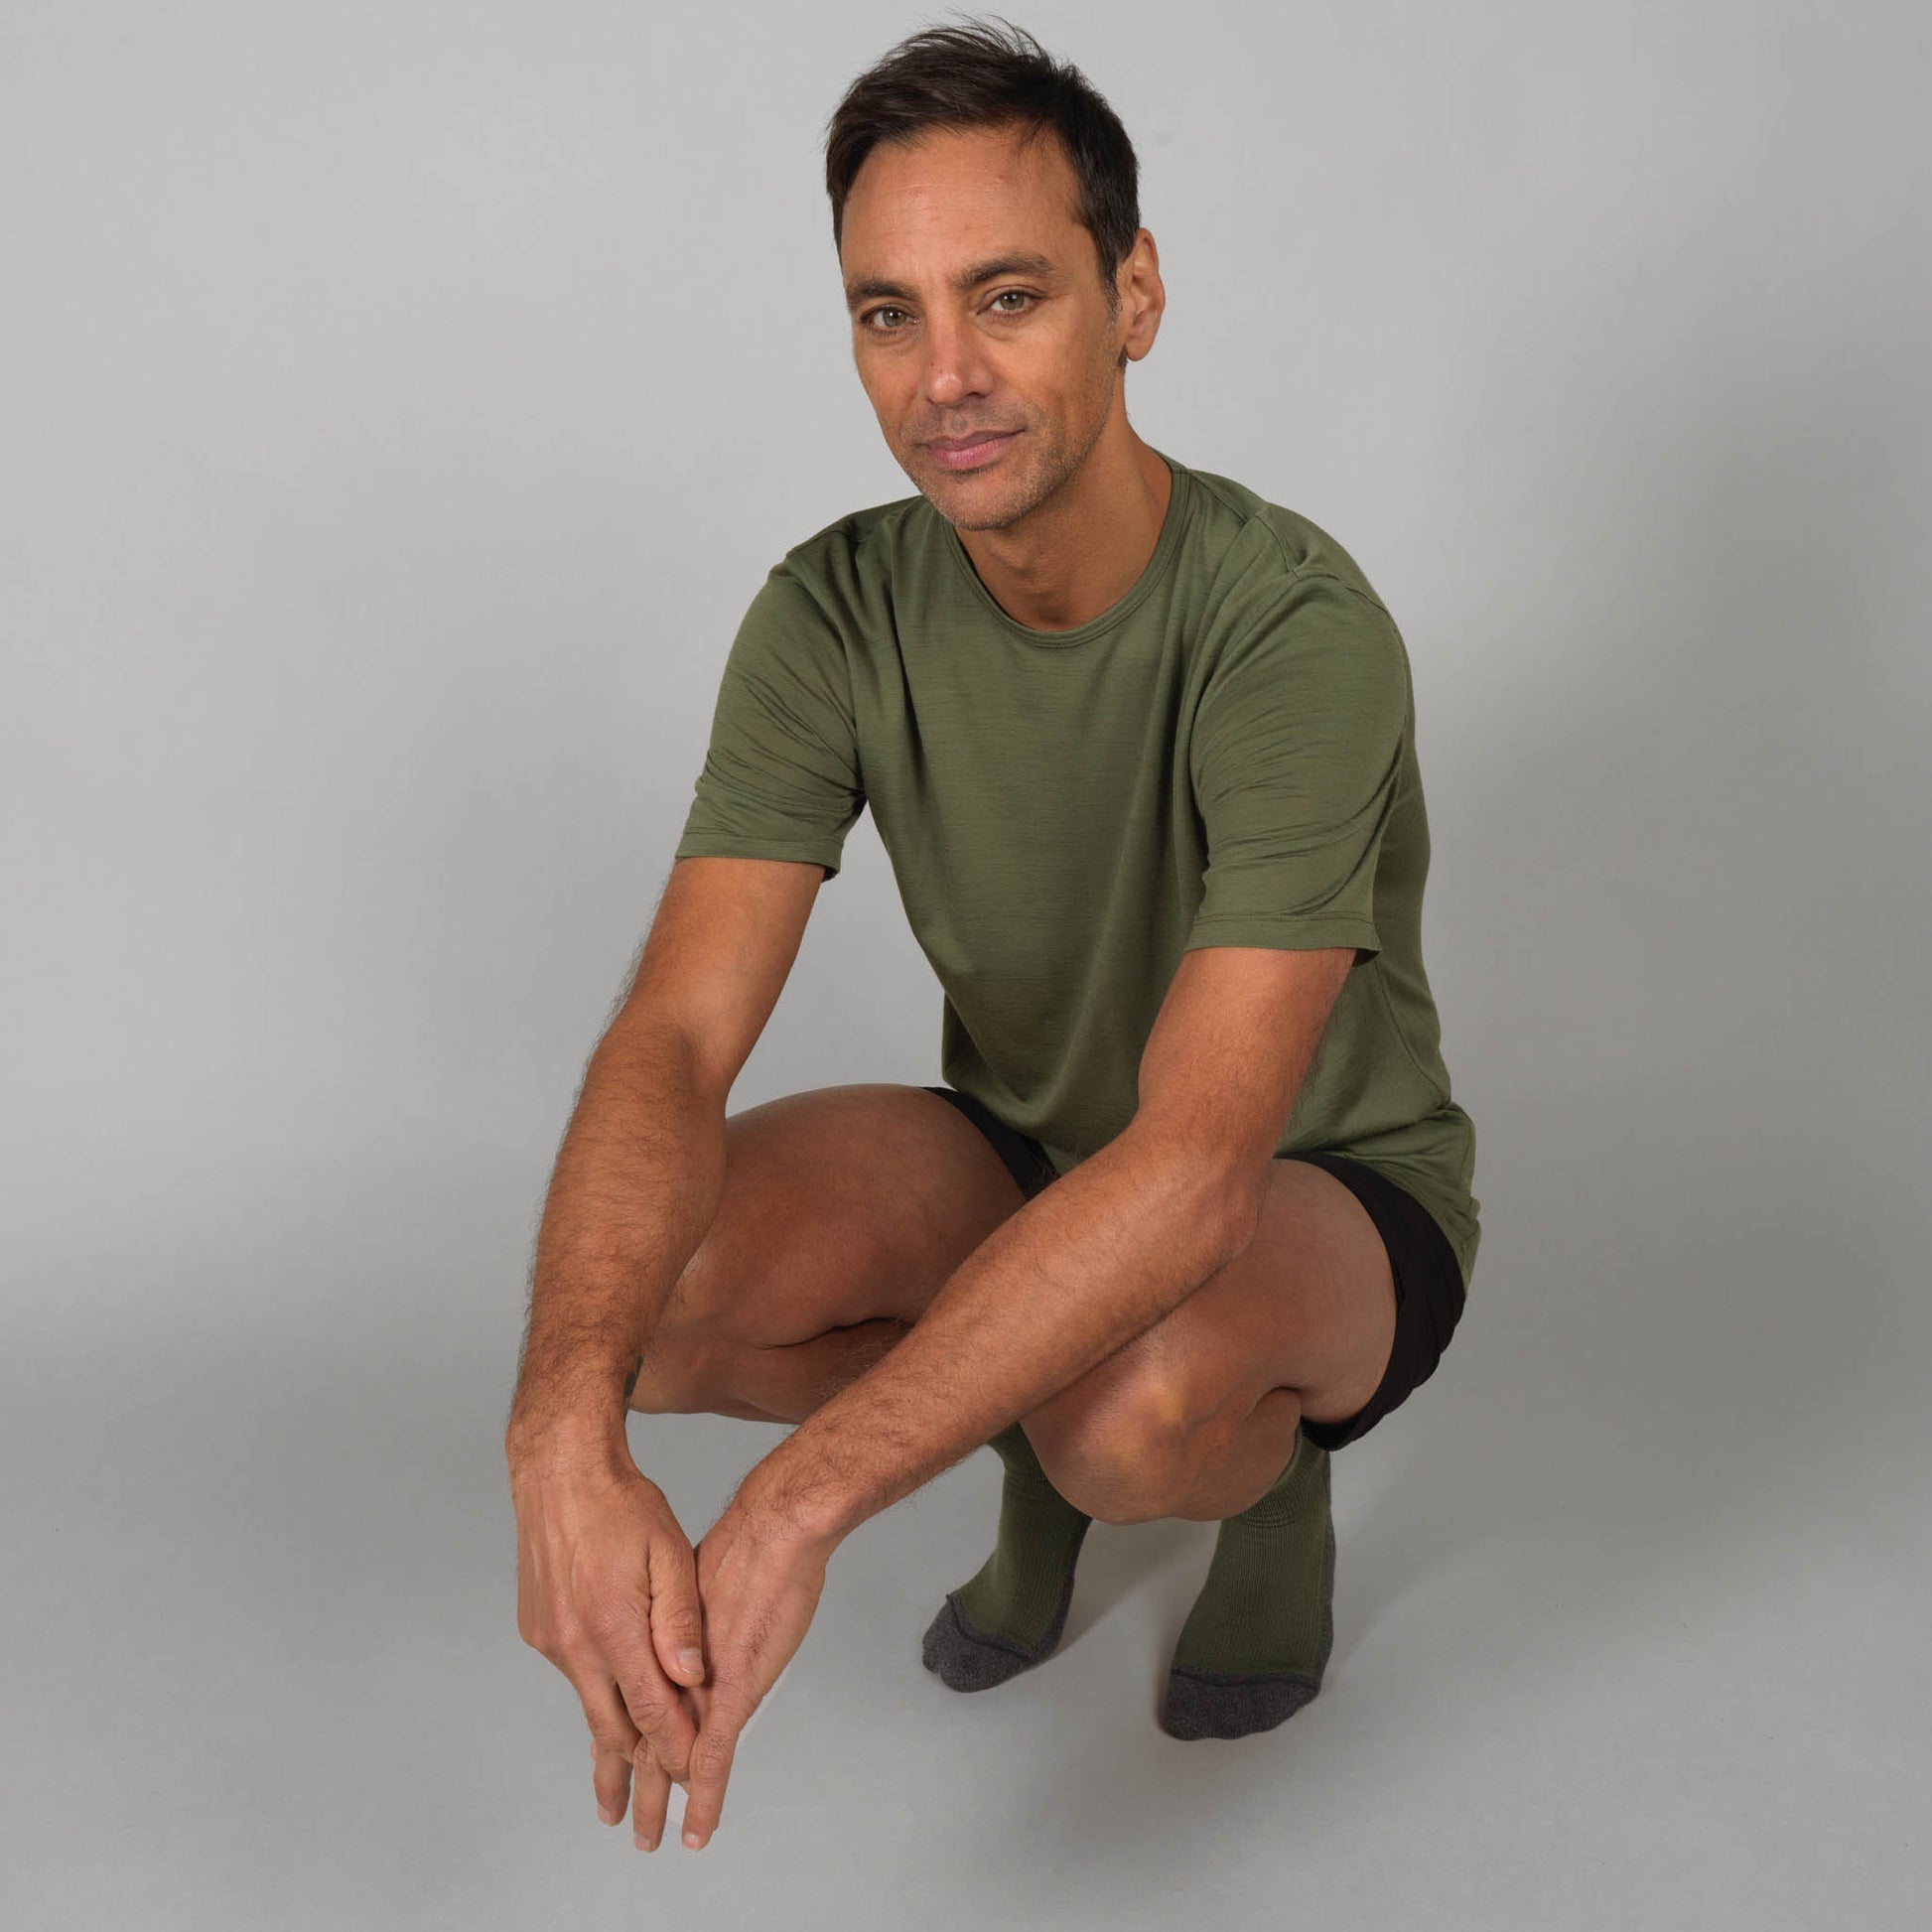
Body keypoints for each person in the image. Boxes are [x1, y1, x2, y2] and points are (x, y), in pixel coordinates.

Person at [504, 16, 1479, 1857]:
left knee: (1133, 1406)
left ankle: (1257, 1486)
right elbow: (674, 1040)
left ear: (1134, 295)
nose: (944, 374)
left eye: (1007, 297)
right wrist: (556, 1437)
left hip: (1315, 1185)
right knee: (653, 1298)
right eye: (889, 313)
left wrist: (799, 1503)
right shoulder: (832, 612)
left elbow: (1197, 1164)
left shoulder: (1291, 626)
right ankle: (1041, 1448)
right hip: (1027, 1150)